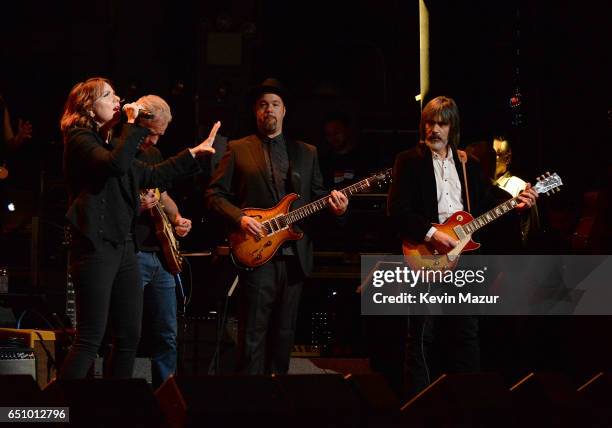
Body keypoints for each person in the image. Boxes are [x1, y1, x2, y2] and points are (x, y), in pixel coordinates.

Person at [59, 77, 219, 379]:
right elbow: (116, 166)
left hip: (124, 245)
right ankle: (57, 413)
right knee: (90, 339)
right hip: (94, 247)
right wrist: (132, 124)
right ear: (89, 107)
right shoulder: (79, 138)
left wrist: (193, 153)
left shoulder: (111, 145)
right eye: (109, 95)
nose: (118, 99)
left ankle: (112, 409)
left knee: (129, 337)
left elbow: (151, 174)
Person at [386, 96, 537, 396]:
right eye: (429, 123)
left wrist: (518, 203)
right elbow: (397, 210)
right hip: (425, 256)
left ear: (452, 127)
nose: (434, 129)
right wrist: (432, 234)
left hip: (464, 260)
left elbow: (488, 201)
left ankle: (468, 403)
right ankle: (418, 406)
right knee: (420, 337)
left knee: (466, 335)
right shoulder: (409, 161)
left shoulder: (469, 163)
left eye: (441, 123)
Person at [205, 78, 348, 375]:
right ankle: (252, 404)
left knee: (284, 336)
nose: (268, 110)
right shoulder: (238, 148)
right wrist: (240, 218)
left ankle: (278, 401)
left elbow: (319, 198)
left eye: (274, 105)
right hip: (257, 254)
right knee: (253, 335)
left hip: (295, 255)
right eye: (262, 105)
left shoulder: (306, 152)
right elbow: (214, 195)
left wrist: (337, 208)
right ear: (256, 112)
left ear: (284, 111)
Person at [132, 95, 193, 389]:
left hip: (161, 255)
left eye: (160, 134)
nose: (154, 140)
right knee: (126, 331)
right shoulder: (121, 151)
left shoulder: (153, 154)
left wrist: (178, 218)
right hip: (132, 252)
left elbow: (163, 193)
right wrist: (137, 203)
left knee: (167, 333)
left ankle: (165, 396)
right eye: (152, 132)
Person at [493, 136, 540, 247]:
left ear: (508, 158)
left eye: (497, 154)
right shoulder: (481, 185)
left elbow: (531, 232)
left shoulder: (519, 186)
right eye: (490, 154)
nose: (493, 159)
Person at [319, 113, 364, 188]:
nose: (333, 137)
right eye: (329, 134)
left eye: (336, 132)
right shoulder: (324, 161)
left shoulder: (361, 157)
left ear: (347, 130)